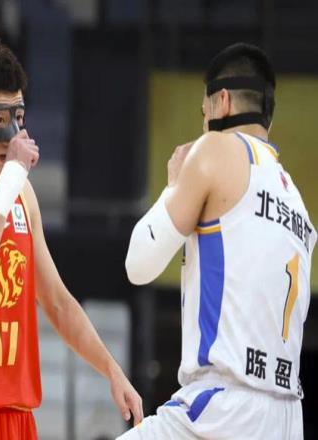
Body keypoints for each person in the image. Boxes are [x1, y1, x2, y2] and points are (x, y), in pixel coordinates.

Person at [0, 40, 142, 440]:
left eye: (17, 117)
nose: (11, 134)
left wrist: (111, 369)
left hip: (16, 418)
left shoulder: (22, 194)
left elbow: (56, 301)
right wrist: (11, 181)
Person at [120, 43, 316, 439]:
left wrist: (173, 186)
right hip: (285, 417)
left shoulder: (215, 149)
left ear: (221, 101)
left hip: (224, 409)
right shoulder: (297, 202)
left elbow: (138, 264)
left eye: (203, 112)